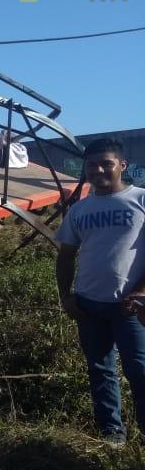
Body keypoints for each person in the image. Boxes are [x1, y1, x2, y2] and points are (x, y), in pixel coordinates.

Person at [56, 137, 145, 446]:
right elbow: (65, 256)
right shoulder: (80, 210)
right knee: (100, 370)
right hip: (88, 305)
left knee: (140, 372)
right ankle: (112, 436)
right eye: (92, 165)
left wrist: (139, 293)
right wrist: (66, 296)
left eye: (106, 163)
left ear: (122, 166)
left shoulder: (141, 200)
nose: (99, 170)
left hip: (130, 307)